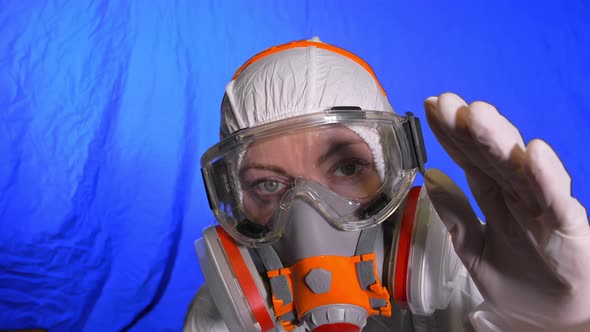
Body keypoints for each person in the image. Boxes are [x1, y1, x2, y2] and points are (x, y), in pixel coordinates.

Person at [184, 38, 590, 332]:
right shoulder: (215, 321)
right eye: (269, 184)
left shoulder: (487, 285)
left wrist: (556, 324)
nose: (311, 221)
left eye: (347, 168)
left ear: (392, 173)